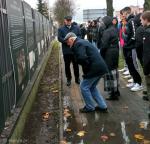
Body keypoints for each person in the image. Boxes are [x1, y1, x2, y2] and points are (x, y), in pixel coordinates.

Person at [64, 32, 108, 113]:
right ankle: (102, 106)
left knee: (84, 87)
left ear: (71, 39)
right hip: (101, 68)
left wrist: (87, 73)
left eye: (67, 41)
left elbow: (82, 58)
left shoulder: (78, 44)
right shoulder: (82, 42)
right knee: (92, 87)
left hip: (94, 69)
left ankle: (90, 107)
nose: (67, 43)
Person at [122, 7, 143, 92]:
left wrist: (128, 44)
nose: (122, 15)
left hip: (132, 47)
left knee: (134, 65)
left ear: (127, 13)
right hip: (129, 47)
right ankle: (135, 81)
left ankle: (139, 83)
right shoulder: (128, 21)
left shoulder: (132, 21)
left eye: (123, 13)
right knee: (130, 65)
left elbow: (134, 35)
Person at [101, 16, 120, 100]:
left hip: (109, 53)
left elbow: (104, 45)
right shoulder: (114, 29)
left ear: (106, 23)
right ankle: (116, 91)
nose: (102, 24)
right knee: (114, 71)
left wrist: (101, 54)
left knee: (109, 73)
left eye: (103, 22)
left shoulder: (107, 31)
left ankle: (112, 94)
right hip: (115, 51)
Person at [58, 16, 81, 86]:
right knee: (67, 66)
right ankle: (69, 79)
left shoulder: (76, 28)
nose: (69, 21)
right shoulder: (61, 29)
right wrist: (67, 41)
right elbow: (59, 38)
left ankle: (77, 78)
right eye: (67, 20)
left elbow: (80, 36)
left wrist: (74, 40)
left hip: (74, 50)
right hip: (66, 51)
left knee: (76, 65)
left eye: (70, 20)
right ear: (65, 20)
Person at [140, 11, 150, 104]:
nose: (141, 22)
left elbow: (147, 52)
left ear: (146, 20)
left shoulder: (147, 32)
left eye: (142, 20)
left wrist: (145, 69)